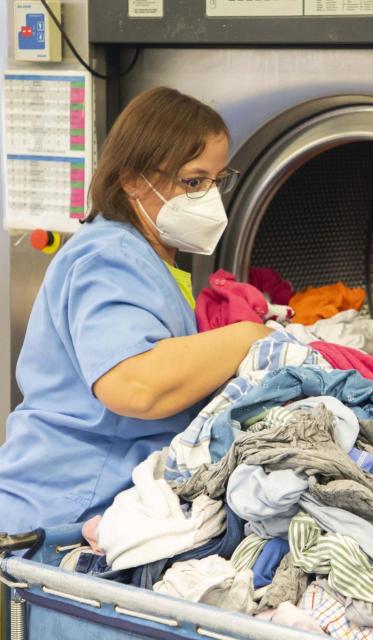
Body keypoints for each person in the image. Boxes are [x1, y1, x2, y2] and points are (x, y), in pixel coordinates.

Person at [0, 87, 272, 534]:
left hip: (88, 499)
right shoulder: (108, 257)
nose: (209, 198)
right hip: (61, 509)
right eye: (193, 182)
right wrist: (248, 338)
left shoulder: (148, 258)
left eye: (217, 181)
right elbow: (134, 385)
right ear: (131, 179)